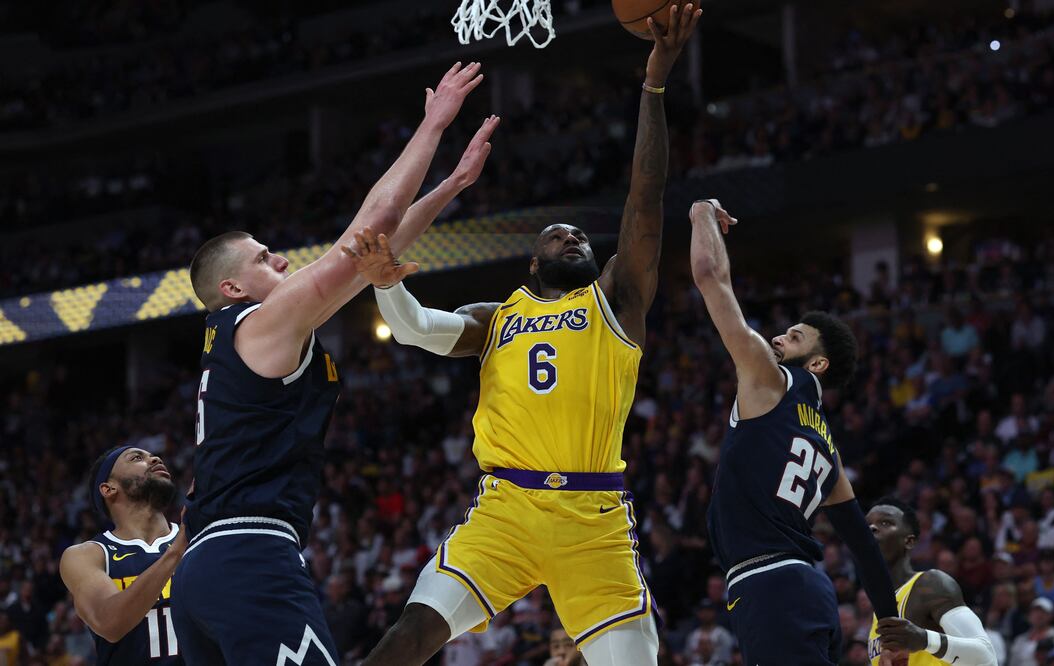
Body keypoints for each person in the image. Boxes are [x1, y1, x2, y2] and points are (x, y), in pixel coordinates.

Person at [351, 8, 702, 665]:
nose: (573, 235)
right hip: (505, 511)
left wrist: (654, 85)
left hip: (593, 520)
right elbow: (417, 329)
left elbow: (646, 197)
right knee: (410, 635)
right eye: (558, 235)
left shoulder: (617, 299)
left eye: (581, 236)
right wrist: (386, 285)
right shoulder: (497, 317)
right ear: (533, 264)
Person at [172, 61, 497, 666]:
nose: (282, 261)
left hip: (205, 571)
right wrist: (433, 124)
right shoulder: (259, 325)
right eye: (264, 259)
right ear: (231, 290)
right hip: (249, 556)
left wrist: (452, 184)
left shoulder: (243, 337)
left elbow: (374, 255)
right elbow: (369, 229)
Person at [687, 198, 902, 665]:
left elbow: (709, 277)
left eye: (795, 336)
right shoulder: (829, 449)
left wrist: (701, 212)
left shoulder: (770, 380)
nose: (779, 337)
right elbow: (864, 547)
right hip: (807, 589)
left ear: (817, 364)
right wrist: (890, 626)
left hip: (770, 585)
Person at [59, 447, 185, 664]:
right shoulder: (88, 555)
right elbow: (110, 623)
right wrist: (177, 550)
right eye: (137, 458)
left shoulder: (196, 537)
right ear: (109, 489)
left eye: (152, 456)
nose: (155, 458)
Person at [864, 498, 998, 665]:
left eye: (885, 522)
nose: (871, 528)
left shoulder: (930, 585)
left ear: (909, 541)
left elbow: (986, 655)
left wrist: (924, 640)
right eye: (867, 524)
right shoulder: (880, 604)